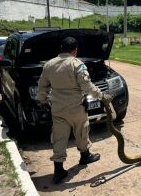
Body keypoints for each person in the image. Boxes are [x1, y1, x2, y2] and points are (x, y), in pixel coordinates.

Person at [37, 36, 112, 184]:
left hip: (58, 109)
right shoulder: (77, 64)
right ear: (75, 50)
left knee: (59, 138)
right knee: (82, 132)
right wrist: (102, 95)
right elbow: (87, 86)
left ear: (61, 49)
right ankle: (85, 156)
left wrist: (43, 101)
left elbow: (42, 86)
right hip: (76, 108)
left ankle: (58, 171)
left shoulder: (49, 65)